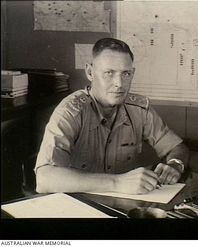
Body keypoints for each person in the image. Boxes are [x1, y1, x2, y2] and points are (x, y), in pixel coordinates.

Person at [35, 38, 189, 195]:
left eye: (126, 74)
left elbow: (176, 147)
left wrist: (175, 164)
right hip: (79, 204)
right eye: (109, 73)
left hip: (121, 204)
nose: (119, 83)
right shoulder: (71, 111)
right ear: (90, 72)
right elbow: (44, 180)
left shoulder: (139, 109)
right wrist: (117, 183)